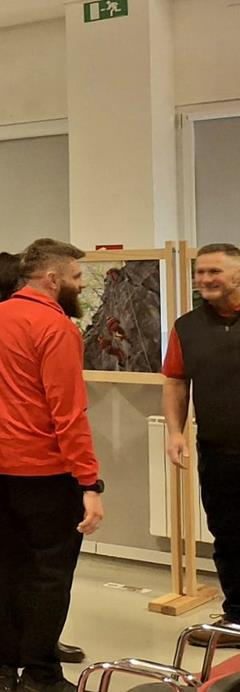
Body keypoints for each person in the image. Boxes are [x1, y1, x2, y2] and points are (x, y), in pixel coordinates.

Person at [0, 238, 104, 692]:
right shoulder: (56, 327)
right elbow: (68, 413)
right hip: (43, 470)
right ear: (52, 279)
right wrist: (89, 482)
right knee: (50, 572)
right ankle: (40, 673)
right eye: (76, 277)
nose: (80, 285)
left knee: (5, 560)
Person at [0, 256, 89, 666]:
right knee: (22, 557)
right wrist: (88, 479)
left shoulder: (2, 321)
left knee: (12, 553)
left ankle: (18, 648)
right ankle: (1, 640)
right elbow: (65, 409)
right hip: (18, 455)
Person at [163, 242, 240, 646]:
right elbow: (176, 381)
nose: (205, 279)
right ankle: (237, 618)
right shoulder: (186, 327)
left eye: (215, 271)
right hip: (218, 451)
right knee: (227, 535)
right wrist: (175, 432)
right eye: (200, 272)